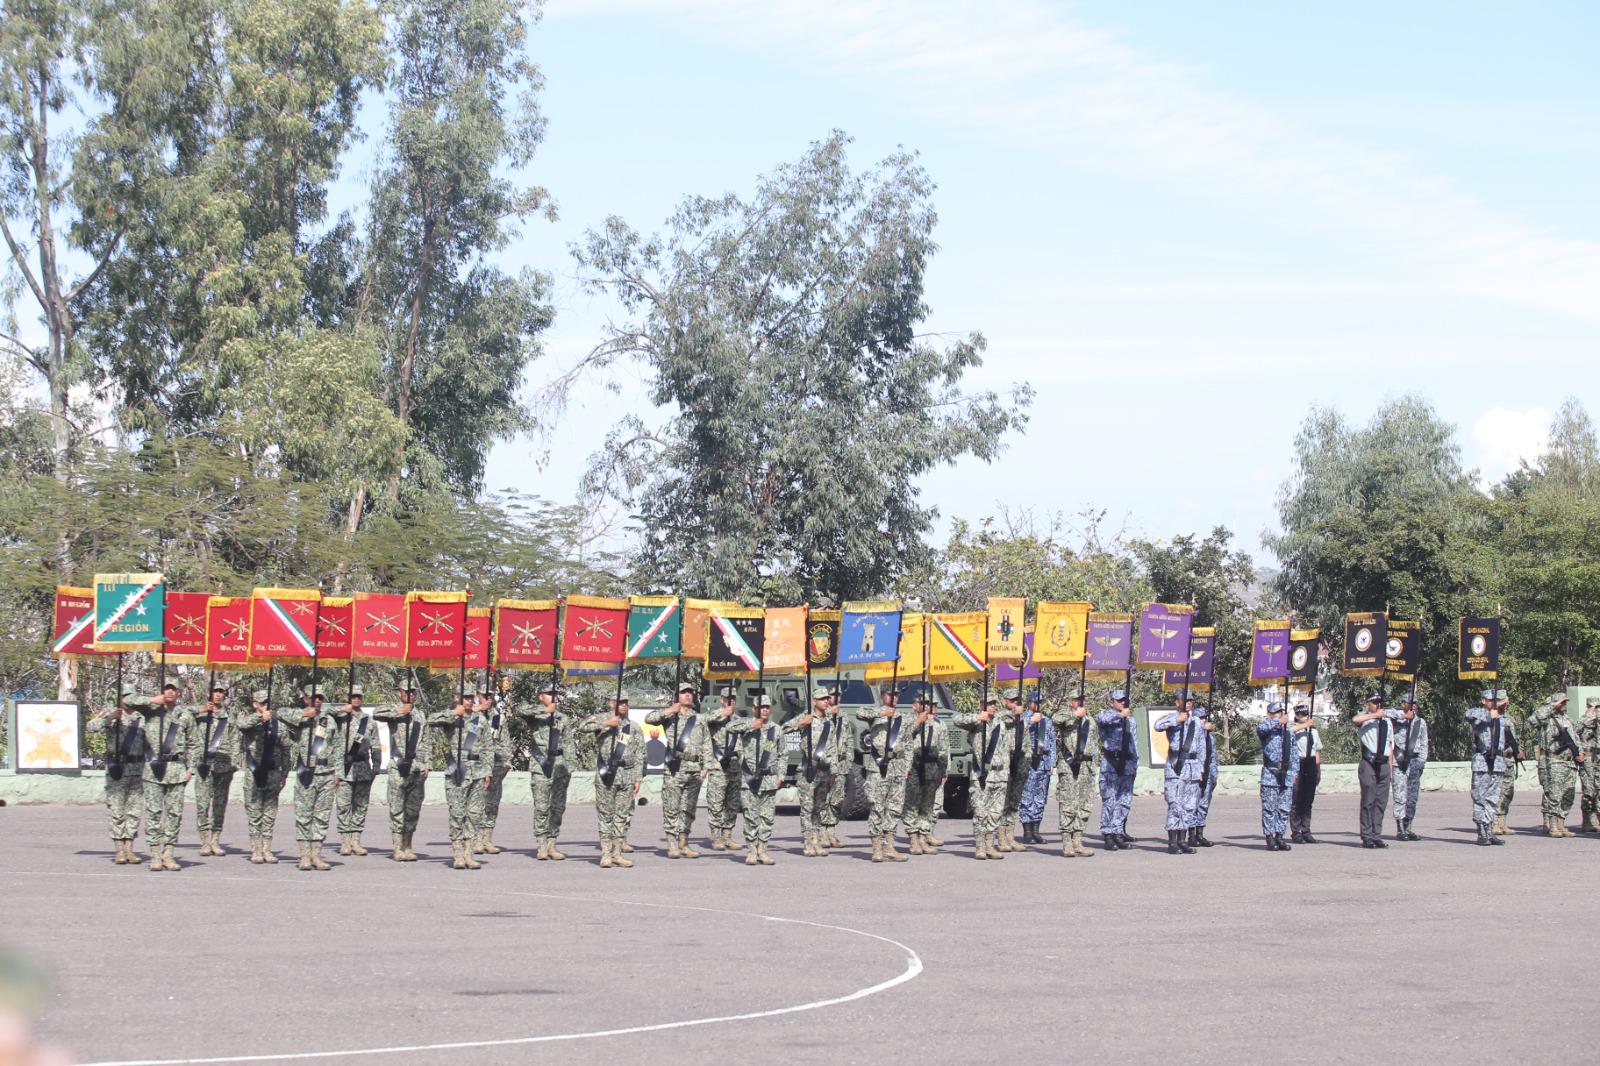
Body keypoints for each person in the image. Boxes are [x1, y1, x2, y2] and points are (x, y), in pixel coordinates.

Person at [128, 683, 196, 872]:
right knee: (154, 813)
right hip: (153, 769)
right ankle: (155, 854)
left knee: (175, 814)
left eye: (174, 689)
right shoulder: (151, 711)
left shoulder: (185, 715)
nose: (170, 692)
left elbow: (194, 743)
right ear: (161, 691)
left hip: (176, 769)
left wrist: (191, 768)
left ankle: (168, 853)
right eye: (167, 688)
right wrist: (151, 700)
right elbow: (128, 700)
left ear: (179, 692)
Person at [429, 686, 491, 870]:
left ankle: (468, 854)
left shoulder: (480, 720)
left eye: (472, 698)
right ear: (457, 698)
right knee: (457, 814)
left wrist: (488, 771)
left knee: (474, 814)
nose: (469, 701)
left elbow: (488, 747)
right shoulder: (451, 718)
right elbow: (430, 720)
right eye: (465, 698)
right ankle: (457, 854)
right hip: (457, 770)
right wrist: (452, 713)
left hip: (478, 772)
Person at [372, 674, 430, 862]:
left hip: (416, 767)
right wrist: (399, 711)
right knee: (397, 808)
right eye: (408, 692)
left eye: (414, 692)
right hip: (398, 766)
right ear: (400, 693)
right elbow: (376, 713)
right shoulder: (394, 711)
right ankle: (397, 848)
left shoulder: (420, 715)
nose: (411, 695)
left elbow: (426, 740)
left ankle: (408, 845)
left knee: (413, 809)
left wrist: (427, 763)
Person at [582, 697, 646, 868]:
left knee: (621, 816)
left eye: (626, 702)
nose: (623, 705)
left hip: (627, 775)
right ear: (611, 704)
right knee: (605, 815)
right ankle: (605, 854)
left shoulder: (633, 727)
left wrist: (638, 778)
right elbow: (583, 727)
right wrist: (606, 723)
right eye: (620, 702)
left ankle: (617, 853)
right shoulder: (602, 720)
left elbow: (640, 754)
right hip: (606, 774)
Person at [286, 685, 345, 871]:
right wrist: (304, 715)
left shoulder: (329, 721)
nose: (317, 700)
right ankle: (304, 856)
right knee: (304, 815)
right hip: (307, 771)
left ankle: (316, 854)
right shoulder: (300, 718)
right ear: (306, 699)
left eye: (320, 697)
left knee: (322, 816)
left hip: (326, 774)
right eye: (314, 697)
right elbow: (280, 714)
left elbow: (338, 748)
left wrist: (338, 773)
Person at [645, 683, 705, 859]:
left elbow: (706, 742)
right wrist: (669, 710)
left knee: (689, 808)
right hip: (675, 768)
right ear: (677, 696)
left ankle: (684, 843)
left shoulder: (699, 718)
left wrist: (706, 766)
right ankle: (671, 844)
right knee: (672, 807)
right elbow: (649, 719)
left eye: (690, 692)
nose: (688, 695)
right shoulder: (670, 717)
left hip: (694, 769)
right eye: (684, 692)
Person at [515, 683, 574, 860]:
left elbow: (569, 742)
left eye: (555, 693)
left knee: (557, 807)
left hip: (560, 764)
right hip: (541, 764)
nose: (553, 696)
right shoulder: (535, 716)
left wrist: (570, 765)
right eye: (549, 693)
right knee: (542, 807)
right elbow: (520, 710)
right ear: (541, 696)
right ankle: (540, 845)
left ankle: (552, 844)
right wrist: (545, 711)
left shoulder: (562, 718)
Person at [86, 696, 145, 865]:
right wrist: (110, 718)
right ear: (119, 698)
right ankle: (119, 849)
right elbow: (90, 727)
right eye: (125, 696)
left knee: (134, 811)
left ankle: (129, 849)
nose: (128, 700)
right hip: (117, 768)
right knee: (117, 810)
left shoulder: (140, 717)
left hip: (137, 768)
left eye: (131, 696)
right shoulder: (110, 712)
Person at [855, 687, 912, 862]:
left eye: (897, 695)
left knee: (894, 809)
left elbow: (908, 744)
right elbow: (859, 712)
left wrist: (907, 766)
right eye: (890, 694)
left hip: (897, 766)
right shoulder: (875, 715)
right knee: (877, 807)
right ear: (883, 696)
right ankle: (876, 848)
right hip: (878, 766)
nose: (894, 697)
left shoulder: (904, 718)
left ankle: (889, 846)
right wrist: (881, 712)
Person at [726, 693, 783, 865]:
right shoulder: (746, 727)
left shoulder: (775, 730)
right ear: (754, 709)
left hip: (768, 780)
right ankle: (751, 851)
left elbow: (783, 755)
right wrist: (752, 724)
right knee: (751, 816)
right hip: (749, 778)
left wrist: (780, 775)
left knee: (767, 818)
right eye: (761, 707)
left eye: (767, 707)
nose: (765, 710)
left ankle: (762, 850)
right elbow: (730, 727)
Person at [237, 688, 291, 864]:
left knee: (269, 814)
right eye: (262, 703)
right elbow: (241, 725)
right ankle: (256, 850)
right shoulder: (250, 722)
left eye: (267, 703)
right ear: (255, 705)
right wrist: (260, 718)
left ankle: (267, 849)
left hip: (273, 773)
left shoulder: (278, 725)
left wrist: (284, 773)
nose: (266, 706)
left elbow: (285, 750)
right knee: (254, 812)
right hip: (254, 772)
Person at [954, 695, 1011, 860]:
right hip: (981, 774)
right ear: (981, 705)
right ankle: (979, 846)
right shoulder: (976, 723)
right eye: (988, 704)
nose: (992, 706)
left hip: (999, 774)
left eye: (994, 704)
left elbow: (1005, 746)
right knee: (981, 812)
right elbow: (957, 719)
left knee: (995, 813)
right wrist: (978, 717)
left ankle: (989, 845)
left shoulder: (1000, 723)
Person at [786, 685, 838, 857]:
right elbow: (783, 729)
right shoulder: (807, 717)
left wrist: (834, 771)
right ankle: (808, 842)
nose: (826, 701)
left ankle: (816, 840)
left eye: (827, 698)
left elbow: (833, 747)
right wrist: (801, 724)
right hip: (808, 768)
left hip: (824, 770)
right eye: (822, 699)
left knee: (819, 808)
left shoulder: (829, 721)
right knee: (807, 808)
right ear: (814, 701)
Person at [189, 680, 239, 857]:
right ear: (208, 693)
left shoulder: (229, 716)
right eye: (215, 691)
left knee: (219, 805)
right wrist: (200, 710)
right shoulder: (200, 714)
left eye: (221, 691)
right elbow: (179, 714)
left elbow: (235, 739)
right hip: (204, 764)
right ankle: (204, 841)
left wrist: (234, 763)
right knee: (202, 804)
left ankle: (215, 840)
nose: (218, 694)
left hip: (224, 765)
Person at [333, 683, 379, 857]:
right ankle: (345, 842)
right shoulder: (341, 718)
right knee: (344, 806)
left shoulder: (369, 721)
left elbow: (375, 745)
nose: (356, 699)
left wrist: (376, 766)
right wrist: (342, 710)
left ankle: (356, 841)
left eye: (359, 696)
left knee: (360, 806)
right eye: (353, 696)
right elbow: (325, 714)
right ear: (348, 699)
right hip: (344, 767)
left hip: (363, 767)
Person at [1050, 694, 1098, 858]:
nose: (1080, 702)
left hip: (1087, 766)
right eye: (1077, 699)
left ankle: (1078, 840)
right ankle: (1067, 842)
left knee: (1085, 805)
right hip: (1070, 765)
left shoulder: (1089, 719)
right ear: (1070, 701)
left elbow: (1093, 742)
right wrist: (1073, 714)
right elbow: (1054, 720)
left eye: (1082, 699)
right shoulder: (1066, 716)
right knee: (1068, 804)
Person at [902, 692, 950, 855]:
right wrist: (917, 722)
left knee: (927, 805)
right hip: (914, 767)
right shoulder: (906, 720)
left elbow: (943, 748)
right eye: (922, 703)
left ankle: (923, 838)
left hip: (932, 768)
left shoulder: (937, 724)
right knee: (912, 804)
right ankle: (913, 839)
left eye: (928, 703)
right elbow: (901, 737)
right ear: (914, 705)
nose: (927, 706)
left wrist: (943, 769)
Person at [1153, 698, 1203, 854]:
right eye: (1185, 700)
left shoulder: (1195, 721)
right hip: (1176, 766)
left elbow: (1201, 746)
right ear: (1177, 702)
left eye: (1191, 700)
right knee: (1175, 805)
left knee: (1189, 806)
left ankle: (1183, 840)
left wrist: (1201, 768)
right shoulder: (1172, 718)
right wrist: (1176, 719)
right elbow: (1157, 726)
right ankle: (1172, 842)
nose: (1189, 703)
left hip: (1193, 767)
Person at [1530, 692, 1584, 837]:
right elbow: (1533, 720)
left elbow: (1575, 738)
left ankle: (1561, 823)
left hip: (1570, 762)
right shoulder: (1547, 719)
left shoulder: (1567, 719)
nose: (1564, 705)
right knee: (1554, 794)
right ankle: (1552, 825)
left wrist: (1580, 752)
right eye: (1562, 702)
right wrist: (1552, 706)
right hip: (1554, 761)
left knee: (1569, 794)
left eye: (1565, 702)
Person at [702, 687, 745, 852]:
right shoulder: (715, 717)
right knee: (716, 802)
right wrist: (722, 713)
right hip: (718, 765)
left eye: (733, 698)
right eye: (727, 698)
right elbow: (702, 721)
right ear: (721, 699)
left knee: (732, 804)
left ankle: (727, 836)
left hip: (734, 766)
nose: (731, 701)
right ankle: (716, 837)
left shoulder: (737, 719)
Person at [1467, 689, 1512, 846]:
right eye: (1490, 699)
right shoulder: (1479, 716)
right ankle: (1481, 831)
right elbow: (1468, 714)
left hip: (1498, 760)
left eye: (1495, 700)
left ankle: (1489, 829)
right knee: (1479, 797)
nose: (1494, 702)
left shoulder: (1501, 718)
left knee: (1492, 798)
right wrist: (1488, 715)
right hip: (1482, 760)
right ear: (1483, 701)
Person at [1096, 689, 1139, 850]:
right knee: (1110, 800)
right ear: (1111, 702)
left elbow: (1134, 743)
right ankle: (1108, 835)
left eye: (1124, 700)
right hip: (1111, 762)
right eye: (1119, 700)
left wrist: (1135, 763)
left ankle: (1118, 831)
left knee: (1124, 801)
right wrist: (1120, 715)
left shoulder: (1130, 720)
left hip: (1127, 762)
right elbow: (1101, 720)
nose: (1122, 703)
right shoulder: (1107, 715)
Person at [1352, 694, 1394, 849]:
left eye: (1379, 702)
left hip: (1383, 763)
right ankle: (1367, 836)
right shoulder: (1365, 718)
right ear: (1368, 704)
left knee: (1381, 802)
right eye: (1374, 702)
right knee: (1368, 801)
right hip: (1368, 762)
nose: (1377, 704)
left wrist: (1390, 768)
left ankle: (1377, 835)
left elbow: (1390, 746)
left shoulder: (1387, 722)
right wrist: (1375, 715)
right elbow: (1355, 720)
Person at [1256, 702, 1298, 851]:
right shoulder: (1266, 729)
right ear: (1269, 715)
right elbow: (1261, 728)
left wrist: (1295, 772)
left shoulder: (1289, 732)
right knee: (1269, 808)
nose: (1280, 715)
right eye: (1276, 713)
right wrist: (1278, 722)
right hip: (1271, 774)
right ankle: (1270, 837)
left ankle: (1280, 835)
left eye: (1281, 712)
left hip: (1286, 774)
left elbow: (1294, 753)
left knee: (1284, 808)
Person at [478, 682, 513, 856]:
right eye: (485, 696)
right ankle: (475, 840)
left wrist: (507, 762)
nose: (488, 699)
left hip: (496, 766)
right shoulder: (470, 715)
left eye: (490, 696)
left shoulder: (497, 718)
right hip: (476, 767)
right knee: (476, 804)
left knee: (492, 804)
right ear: (477, 695)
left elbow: (505, 742)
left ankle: (487, 839)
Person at [1017, 693, 1056, 845]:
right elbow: (1017, 732)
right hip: (1029, 760)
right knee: (1027, 797)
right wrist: (1031, 721)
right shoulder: (1023, 718)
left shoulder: (1047, 721)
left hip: (1044, 762)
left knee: (1040, 798)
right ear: (1029, 702)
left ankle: (1036, 830)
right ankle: (1027, 831)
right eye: (1036, 702)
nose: (1039, 705)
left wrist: (1052, 762)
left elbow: (1052, 742)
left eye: (1041, 702)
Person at [1389, 694, 1428, 841]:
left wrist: (1422, 762)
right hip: (1400, 760)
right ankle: (1400, 828)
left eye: (1415, 703)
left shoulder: (1421, 722)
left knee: (1412, 797)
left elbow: (1424, 743)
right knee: (1400, 795)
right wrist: (1404, 716)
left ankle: (1408, 827)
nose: (1413, 706)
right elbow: (1385, 712)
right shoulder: (1396, 719)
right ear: (1403, 703)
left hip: (1415, 760)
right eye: (1410, 703)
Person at [999, 692, 1031, 852]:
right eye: (1012, 701)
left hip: (1019, 763)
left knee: (1014, 803)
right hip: (1005, 764)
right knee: (1003, 803)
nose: (1015, 704)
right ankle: (1001, 837)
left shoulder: (1022, 721)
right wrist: (1014, 714)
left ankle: (1010, 836)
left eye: (1017, 701)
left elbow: (1027, 744)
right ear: (1005, 701)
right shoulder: (1001, 717)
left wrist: (1027, 765)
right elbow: (1002, 721)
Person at [1489, 690, 1523, 836]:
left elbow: (1514, 738)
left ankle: (1502, 822)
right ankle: (1493, 823)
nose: (1506, 703)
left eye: (1506, 700)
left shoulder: (1509, 717)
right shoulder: (1491, 717)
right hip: (1498, 758)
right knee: (1498, 792)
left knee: (1508, 792)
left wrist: (1519, 751)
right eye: (1503, 701)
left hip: (1510, 759)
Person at [1287, 702, 1322, 844]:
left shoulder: (1313, 730)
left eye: (1306, 714)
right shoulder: (1292, 728)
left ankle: (1306, 830)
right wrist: (1304, 726)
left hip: (1311, 763)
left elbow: (1317, 750)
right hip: (1298, 763)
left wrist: (1318, 770)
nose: (1305, 717)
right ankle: (1296, 832)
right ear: (1296, 716)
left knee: (1308, 800)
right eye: (1302, 715)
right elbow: (1289, 731)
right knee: (1296, 800)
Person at [1191, 699, 1219, 847]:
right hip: (1195, 773)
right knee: (1192, 804)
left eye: (1205, 718)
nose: (1204, 720)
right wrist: (1202, 729)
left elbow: (1213, 757)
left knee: (1203, 804)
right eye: (1201, 718)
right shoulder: (1193, 735)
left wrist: (1214, 774)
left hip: (1208, 773)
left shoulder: (1210, 738)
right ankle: (1190, 834)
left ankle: (1199, 833)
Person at [1579, 696, 1600, 833]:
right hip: (1587, 758)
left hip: (1596, 757)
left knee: (1596, 791)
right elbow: (1575, 732)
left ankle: (1595, 819)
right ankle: (1587, 820)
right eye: (1596, 707)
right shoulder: (1585, 719)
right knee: (1588, 789)